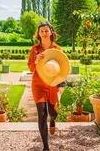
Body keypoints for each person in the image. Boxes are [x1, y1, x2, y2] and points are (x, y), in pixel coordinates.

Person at [28, 21, 66, 151]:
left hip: (52, 84)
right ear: (38, 33)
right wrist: (36, 59)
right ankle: (46, 147)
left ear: (51, 32)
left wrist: (61, 86)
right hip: (38, 84)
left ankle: (53, 120)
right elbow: (31, 68)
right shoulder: (34, 49)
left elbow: (62, 70)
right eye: (41, 31)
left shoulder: (57, 49)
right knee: (42, 113)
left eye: (46, 31)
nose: (44, 33)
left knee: (52, 112)